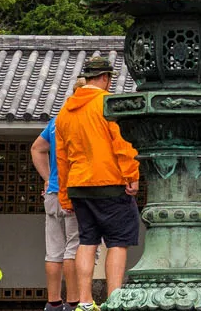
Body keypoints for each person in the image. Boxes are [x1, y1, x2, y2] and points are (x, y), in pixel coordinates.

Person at [56, 55, 140, 311]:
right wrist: (132, 175)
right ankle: (113, 300)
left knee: (87, 241)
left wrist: (64, 196)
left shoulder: (64, 112)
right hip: (109, 182)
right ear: (105, 78)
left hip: (78, 184)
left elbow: (61, 158)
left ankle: (84, 301)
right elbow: (122, 144)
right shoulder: (108, 104)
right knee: (117, 241)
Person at [32, 92, 82, 311]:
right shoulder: (81, 119)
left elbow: (37, 148)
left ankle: (53, 303)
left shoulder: (56, 120)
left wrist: (47, 177)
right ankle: (74, 302)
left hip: (52, 192)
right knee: (74, 247)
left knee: (53, 251)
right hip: (74, 191)